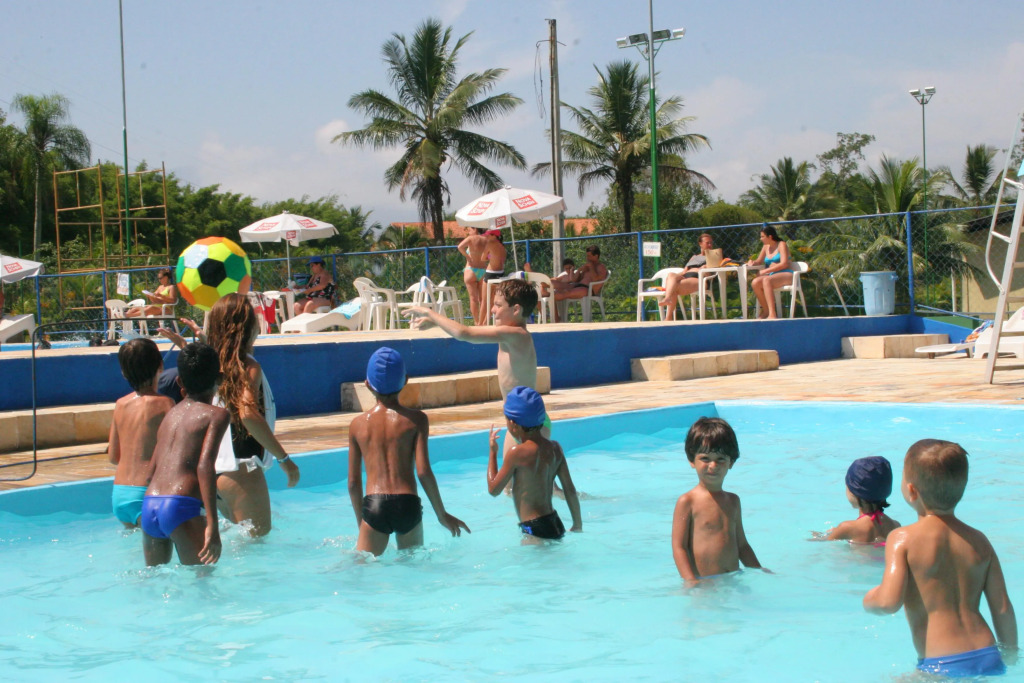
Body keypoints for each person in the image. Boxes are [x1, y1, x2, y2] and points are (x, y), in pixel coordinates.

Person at [863, 439, 1017, 678]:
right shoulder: (980, 541)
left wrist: (869, 598)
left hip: (942, 663)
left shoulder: (902, 539)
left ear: (911, 490)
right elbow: (1003, 607)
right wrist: (1011, 655)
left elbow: (888, 603)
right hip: (988, 655)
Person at [347, 347, 470, 556]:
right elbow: (423, 472)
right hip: (408, 505)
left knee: (363, 567)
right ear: (405, 380)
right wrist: (441, 514)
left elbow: (353, 483)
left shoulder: (357, 425)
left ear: (367, 384)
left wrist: (364, 522)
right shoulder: (417, 420)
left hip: (375, 505)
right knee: (413, 566)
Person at [404, 278, 545, 456]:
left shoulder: (516, 334)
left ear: (516, 310)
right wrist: (438, 323)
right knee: (530, 471)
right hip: (528, 417)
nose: (492, 310)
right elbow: (466, 331)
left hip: (523, 420)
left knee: (510, 472)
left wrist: (430, 313)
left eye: (498, 305)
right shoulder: (513, 335)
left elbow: (465, 333)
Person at [198, 293, 300, 536]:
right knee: (257, 549)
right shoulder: (248, 366)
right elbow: (248, 414)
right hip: (242, 471)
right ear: (246, 327)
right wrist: (285, 460)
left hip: (213, 474)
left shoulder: (210, 365)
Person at [141, 342, 230, 566]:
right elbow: (205, 466)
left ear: (180, 381)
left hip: (150, 504)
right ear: (220, 378)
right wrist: (213, 525)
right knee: (203, 579)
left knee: (153, 581)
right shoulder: (217, 415)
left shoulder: (170, 416)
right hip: (180, 505)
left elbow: (150, 473)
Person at [671, 417, 763, 583]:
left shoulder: (733, 501)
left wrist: (759, 571)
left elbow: (742, 545)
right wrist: (691, 581)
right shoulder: (688, 502)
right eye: (705, 458)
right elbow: (679, 547)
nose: (713, 466)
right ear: (692, 460)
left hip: (734, 579)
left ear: (731, 462)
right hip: (705, 583)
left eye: (720, 459)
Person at [486, 386, 581, 543]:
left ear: (513, 423)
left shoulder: (516, 453)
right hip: (555, 524)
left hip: (533, 528)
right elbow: (570, 490)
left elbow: (493, 490)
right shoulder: (555, 448)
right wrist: (577, 524)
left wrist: (492, 452)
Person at [108, 338, 175, 528]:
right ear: (160, 365)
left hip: (120, 494)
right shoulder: (165, 404)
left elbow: (113, 457)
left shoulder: (120, 404)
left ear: (123, 372)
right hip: (148, 491)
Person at [821, 456, 900, 545]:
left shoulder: (846, 528)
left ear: (854, 493)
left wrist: (824, 535)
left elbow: (823, 543)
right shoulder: (895, 526)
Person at [658, 233, 716, 321]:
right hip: (686, 276)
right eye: (707, 243)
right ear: (700, 244)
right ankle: (667, 300)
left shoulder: (713, 256)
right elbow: (684, 271)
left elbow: (711, 275)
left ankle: (668, 315)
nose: (710, 245)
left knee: (673, 287)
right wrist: (675, 278)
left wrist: (704, 269)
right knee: (671, 276)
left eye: (711, 243)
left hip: (699, 278)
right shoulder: (694, 257)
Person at [747, 226, 794, 320]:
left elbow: (784, 264)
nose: (760, 239)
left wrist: (766, 271)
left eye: (762, 236)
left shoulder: (781, 244)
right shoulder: (765, 247)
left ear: (770, 236)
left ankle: (772, 313)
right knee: (755, 282)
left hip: (786, 274)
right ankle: (766, 311)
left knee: (766, 280)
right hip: (773, 275)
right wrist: (752, 262)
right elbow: (759, 261)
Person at [553, 245, 608, 322]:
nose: (587, 258)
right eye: (587, 256)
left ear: (596, 256)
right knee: (553, 286)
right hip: (577, 285)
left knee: (564, 292)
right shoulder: (588, 266)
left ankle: (556, 318)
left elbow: (595, 279)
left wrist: (591, 267)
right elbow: (576, 280)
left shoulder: (601, 267)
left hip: (588, 289)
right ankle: (555, 316)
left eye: (589, 256)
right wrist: (580, 270)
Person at [458, 228, 490, 326]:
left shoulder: (471, 238)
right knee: (483, 299)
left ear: (475, 229)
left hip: (471, 269)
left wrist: (467, 257)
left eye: (470, 229)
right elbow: (489, 255)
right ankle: (482, 322)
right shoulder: (486, 239)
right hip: (483, 270)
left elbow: (460, 247)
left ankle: (476, 322)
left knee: (473, 299)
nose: (468, 232)